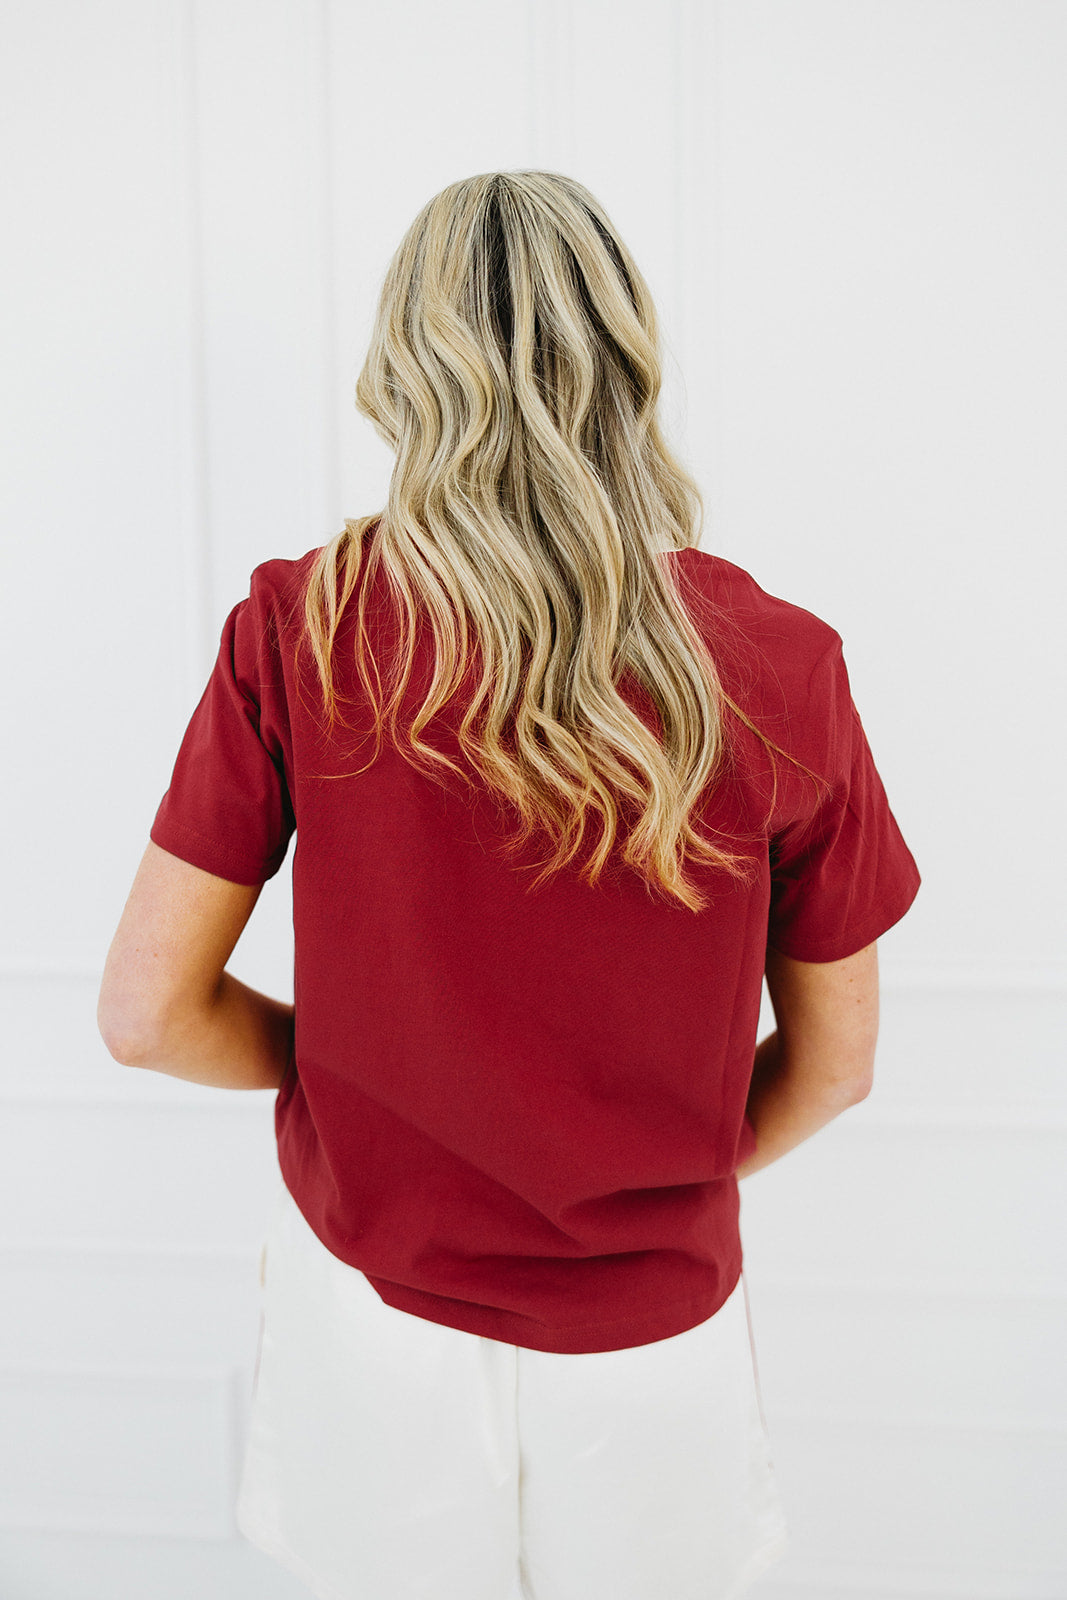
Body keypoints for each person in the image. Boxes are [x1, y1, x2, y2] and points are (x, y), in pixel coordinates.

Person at [97, 170, 921, 1600]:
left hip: (373, 1328)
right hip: (654, 1351)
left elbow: (143, 1016)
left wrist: (354, 1077)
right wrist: (640, 1174)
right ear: (627, 360)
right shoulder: (783, 666)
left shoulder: (305, 628)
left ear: (405, 367)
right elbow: (838, 1069)